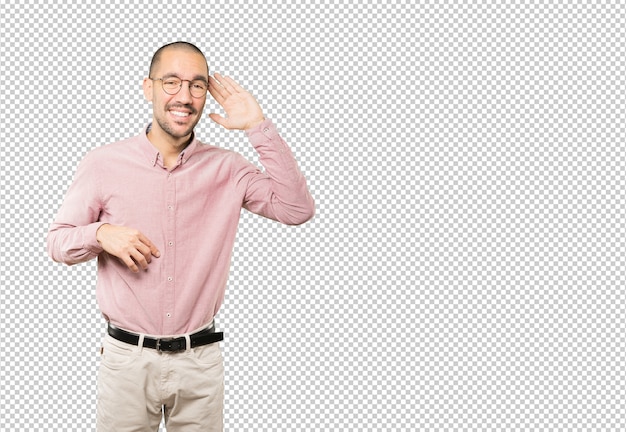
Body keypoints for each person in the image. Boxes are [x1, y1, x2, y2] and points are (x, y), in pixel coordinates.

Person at [47, 41, 315, 431]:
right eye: (171, 82)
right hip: (126, 362)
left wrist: (257, 126)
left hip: (199, 361)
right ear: (148, 87)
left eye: (197, 85)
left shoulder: (229, 168)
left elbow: (297, 210)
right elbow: (58, 242)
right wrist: (102, 233)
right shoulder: (103, 163)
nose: (184, 97)